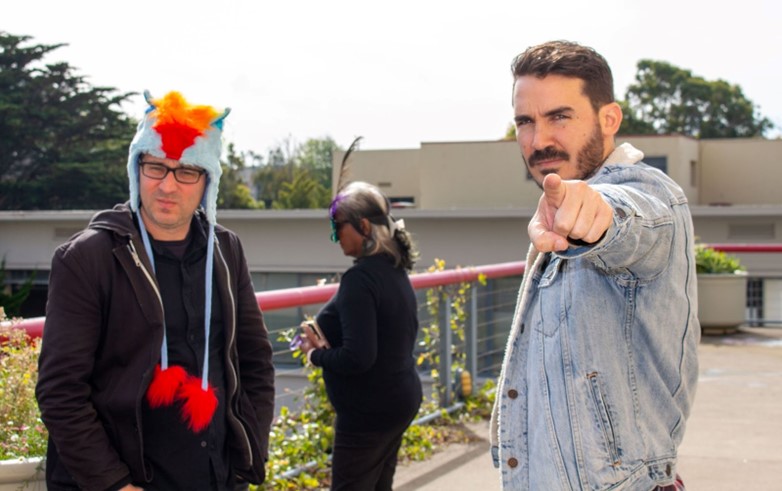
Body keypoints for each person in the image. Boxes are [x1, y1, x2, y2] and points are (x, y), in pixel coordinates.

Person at [36, 91, 275, 490]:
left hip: (214, 477)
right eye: (155, 167)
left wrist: (248, 454)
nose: (167, 185)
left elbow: (255, 361)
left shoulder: (226, 250)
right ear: (136, 167)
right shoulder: (87, 258)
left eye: (186, 172)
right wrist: (115, 485)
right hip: (122, 481)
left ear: (207, 182)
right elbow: (60, 392)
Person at [489, 41, 700, 491]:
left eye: (559, 117)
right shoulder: (559, 203)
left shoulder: (648, 191)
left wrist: (596, 214)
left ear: (609, 120)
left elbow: (630, 217)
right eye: (525, 121)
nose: (539, 139)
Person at [295, 178, 423, 491]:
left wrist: (314, 354)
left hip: (369, 415)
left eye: (337, 226)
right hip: (397, 402)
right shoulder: (393, 270)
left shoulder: (359, 279)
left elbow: (359, 357)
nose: (335, 236)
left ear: (363, 226)